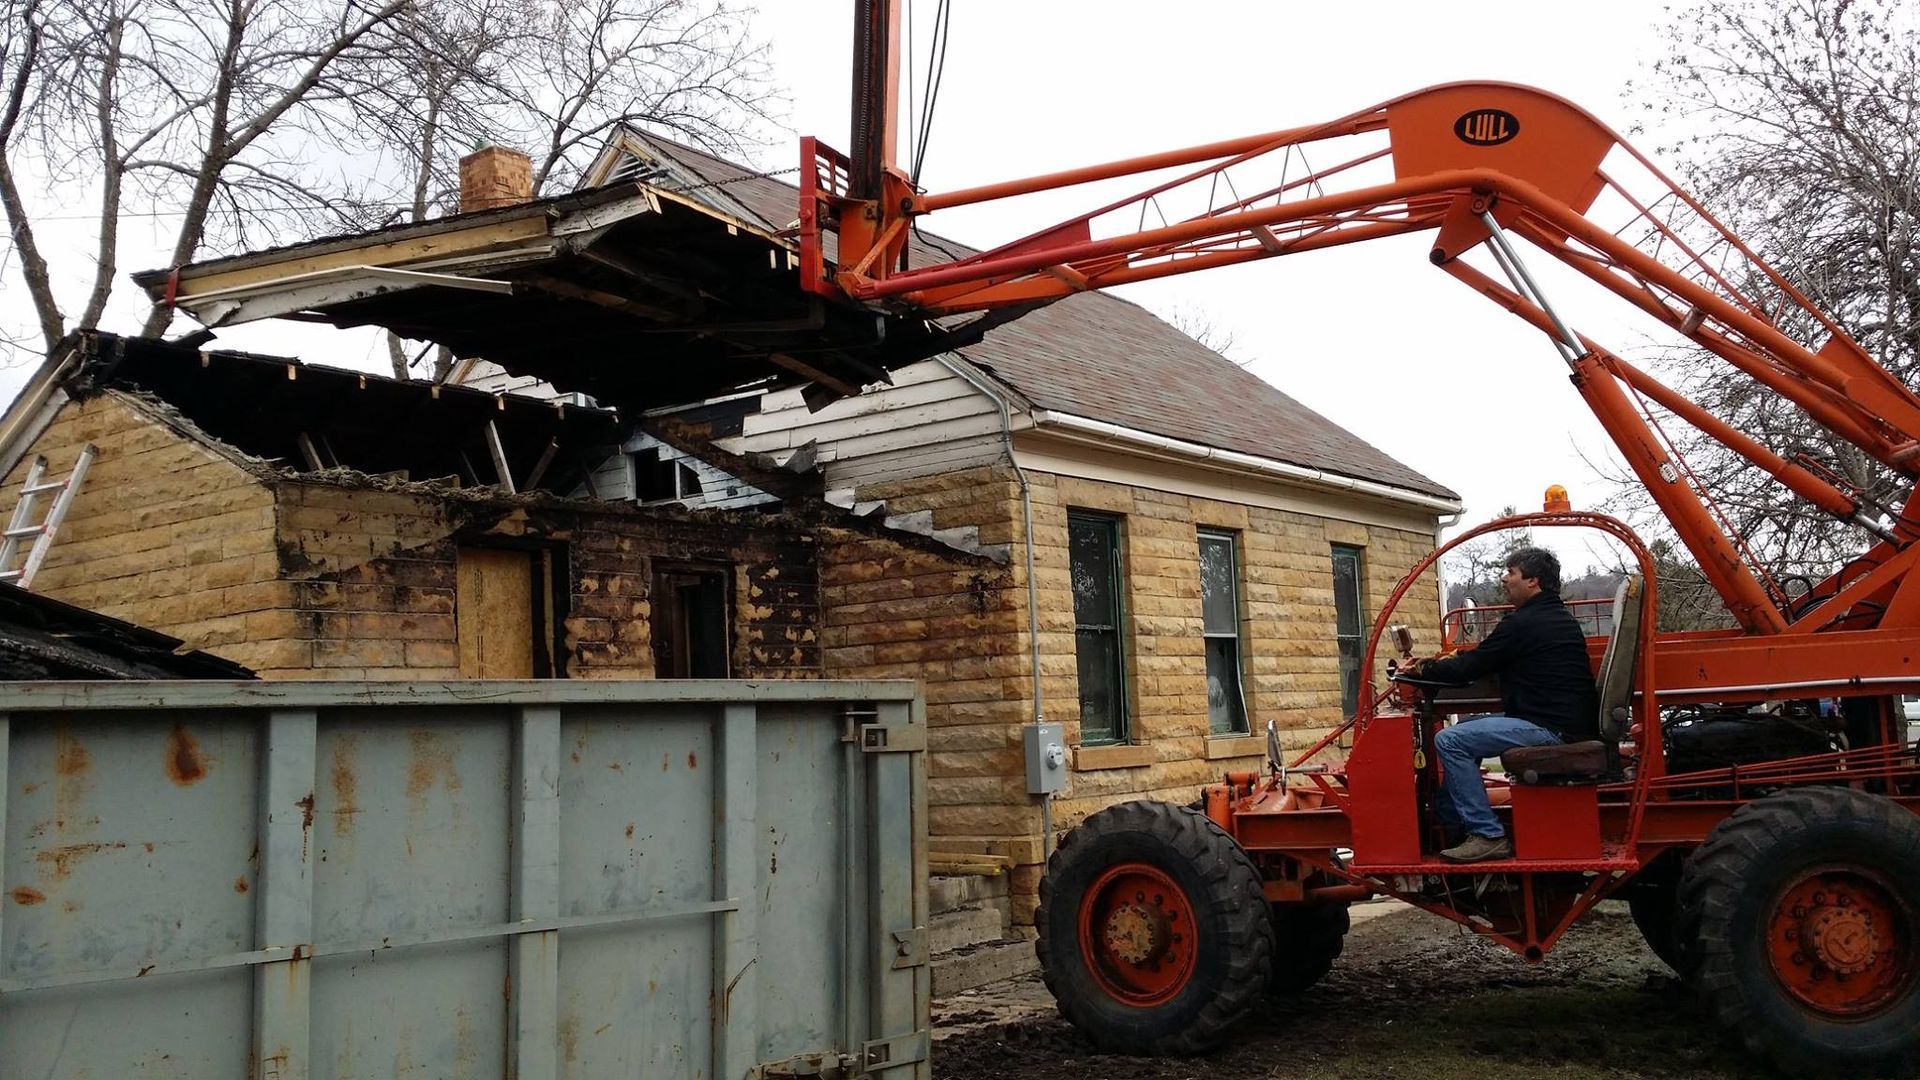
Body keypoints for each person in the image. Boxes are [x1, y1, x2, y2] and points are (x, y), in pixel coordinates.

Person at [1399, 546, 1598, 863]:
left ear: (1533, 581)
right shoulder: (1553, 617)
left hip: (1549, 728)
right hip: (1559, 721)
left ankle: (1487, 835)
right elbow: (1488, 657)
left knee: (1450, 739)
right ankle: (1449, 817)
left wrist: (1422, 669)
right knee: (1465, 731)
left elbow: (1474, 665)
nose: (1504, 579)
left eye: (1511, 573)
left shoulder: (1524, 623)